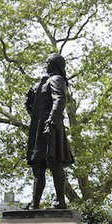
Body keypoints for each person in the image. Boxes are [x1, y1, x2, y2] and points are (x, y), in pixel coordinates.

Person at [25, 53, 74, 209]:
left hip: (49, 125)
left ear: (55, 64)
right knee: (37, 166)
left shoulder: (56, 80)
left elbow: (60, 99)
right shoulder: (41, 83)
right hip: (38, 128)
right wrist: (29, 102)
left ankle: (61, 201)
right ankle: (35, 203)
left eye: (48, 62)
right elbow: (33, 111)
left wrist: (52, 119)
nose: (45, 65)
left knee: (54, 162)